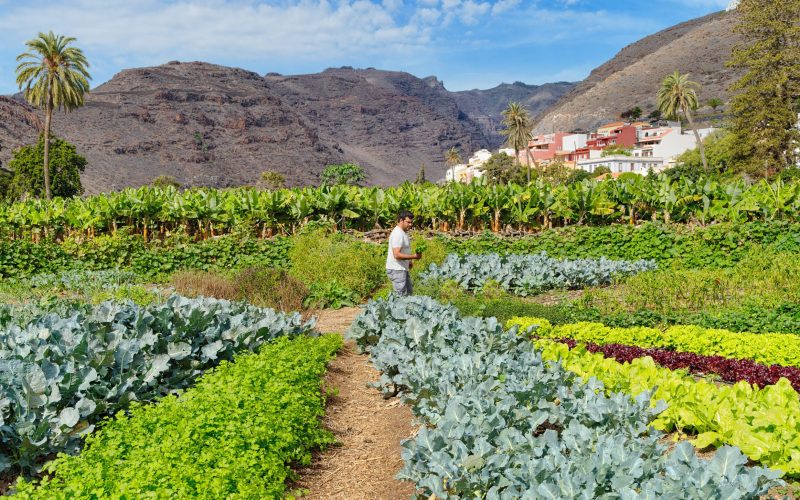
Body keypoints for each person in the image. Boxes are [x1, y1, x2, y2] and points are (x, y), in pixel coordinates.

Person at [386, 211, 421, 296]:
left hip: (401, 268)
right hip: (397, 269)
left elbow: (403, 250)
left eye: (411, 222)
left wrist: (408, 261)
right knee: (401, 297)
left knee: (408, 294)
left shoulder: (403, 232)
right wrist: (414, 256)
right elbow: (396, 254)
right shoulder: (398, 234)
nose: (410, 224)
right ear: (401, 220)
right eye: (408, 222)